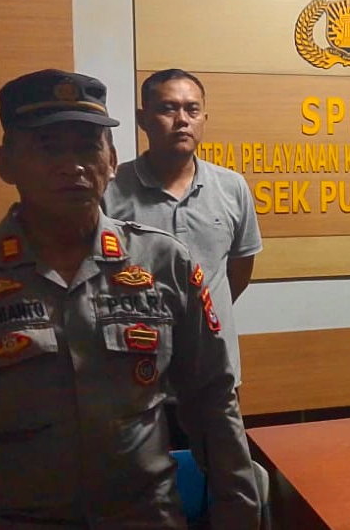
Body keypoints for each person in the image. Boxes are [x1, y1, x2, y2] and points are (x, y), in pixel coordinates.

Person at [0, 69, 259, 529]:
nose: (73, 166)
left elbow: (213, 401)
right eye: (48, 148)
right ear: (5, 164)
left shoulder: (164, 262)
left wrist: (240, 515)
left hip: (143, 518)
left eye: (87, 147)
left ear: (112, 160)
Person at [103, 69, 261, 391]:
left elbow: (239, 271)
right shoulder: (110, 191)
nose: (182, 120)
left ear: (204, 118)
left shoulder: (232, 187)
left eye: (192, 109)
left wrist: (200, 314)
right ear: (142, 119)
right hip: (136, 373)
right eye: (168, 109)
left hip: (215, 371)